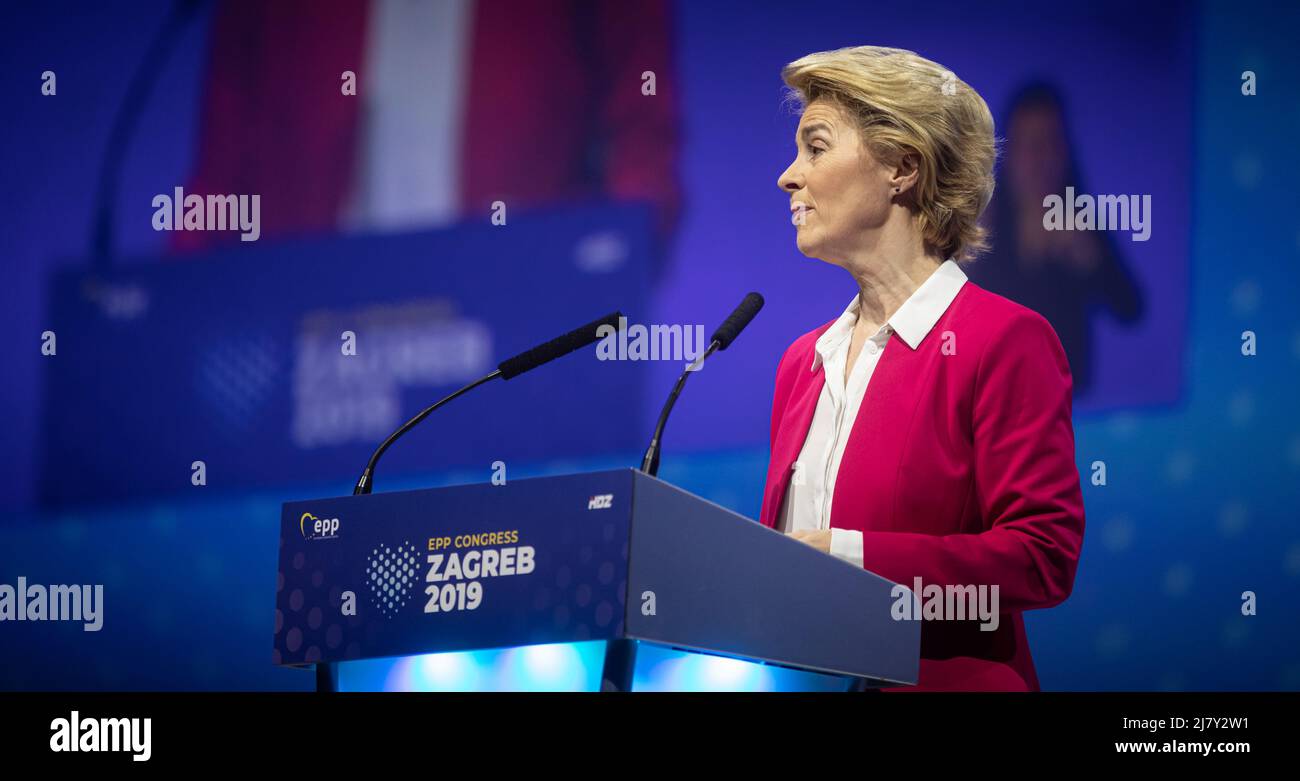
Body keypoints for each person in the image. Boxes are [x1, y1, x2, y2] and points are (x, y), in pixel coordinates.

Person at [764, 46, 1085, 691]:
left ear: (902, 166)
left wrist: (850, 558)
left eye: (816, 147)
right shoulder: (803, 363)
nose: (787, 177)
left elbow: (1042, 558)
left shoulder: (1005, 341)